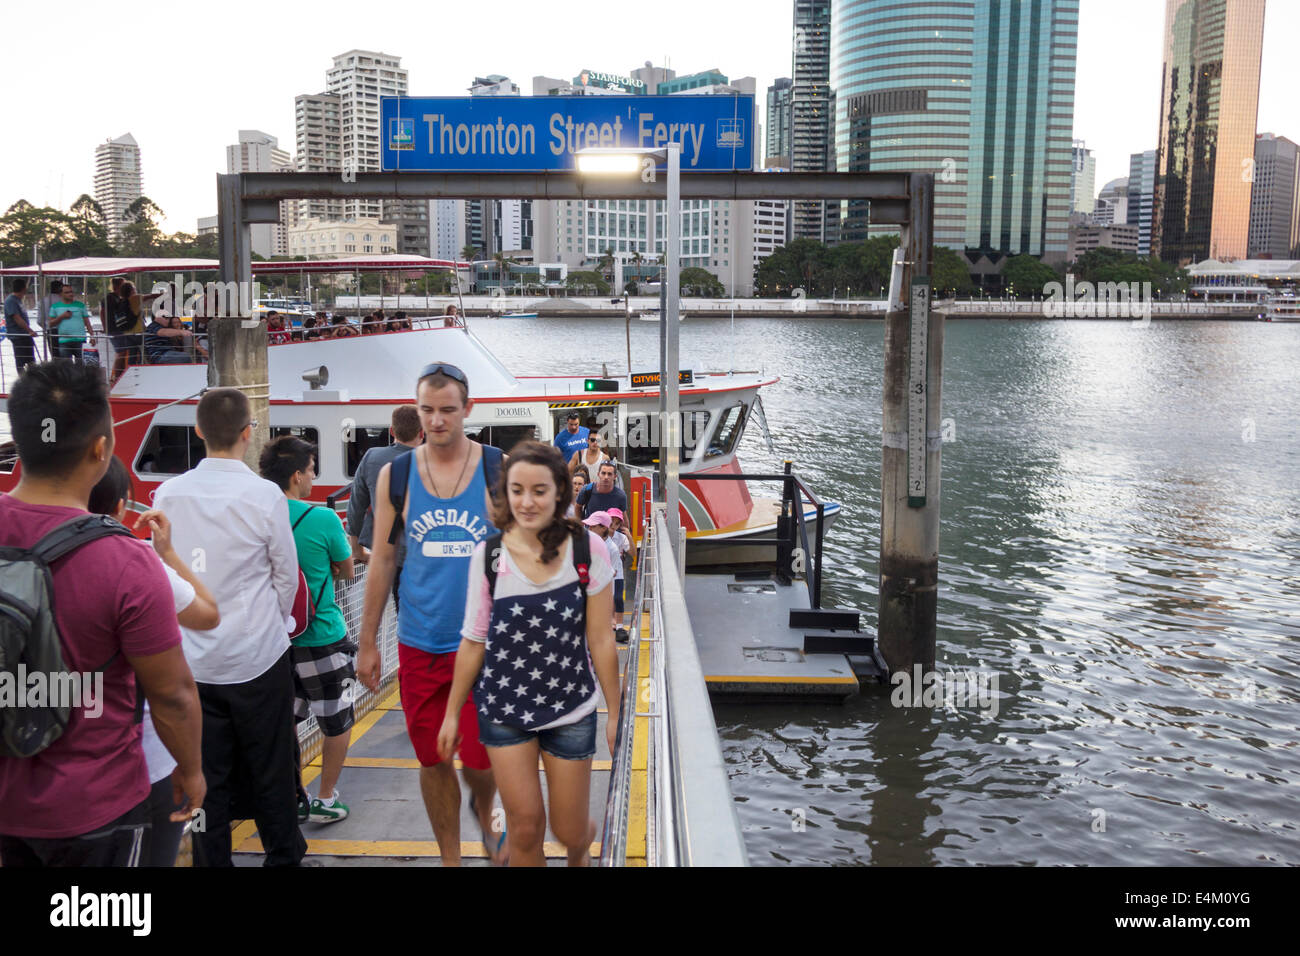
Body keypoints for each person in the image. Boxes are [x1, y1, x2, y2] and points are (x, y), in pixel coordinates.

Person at [0, 361, 204, 867]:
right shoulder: (127, 562)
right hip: (97, 806)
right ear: (101, 449)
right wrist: (190, 767)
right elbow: (172, 694)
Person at [437, 441, 621, 867]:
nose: (527, 501)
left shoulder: (585, 550)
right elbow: (473, 639)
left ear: (560, 492)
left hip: (570, 707)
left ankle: (579, 851)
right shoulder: (490, 556)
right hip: (504, 710)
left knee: (569, 828)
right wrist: (450, 713)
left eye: (539, 490)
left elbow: (601, 639)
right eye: (517, 490)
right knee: (523, 828)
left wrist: (615, 712)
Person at [357, 362, 506, 866]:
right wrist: (368, 640)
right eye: (427, 410)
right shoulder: (395, 475)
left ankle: (487, 815)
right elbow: (380, 559)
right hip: (419, 641)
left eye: (447, 410)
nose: (437, 420)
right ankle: (450, 858)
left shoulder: (496, 470)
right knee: (432, 757)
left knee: (482, 762)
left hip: (484, 643)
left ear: (469, 409)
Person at [151, 387, 305, 867]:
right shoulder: (264, 496)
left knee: (203, 776)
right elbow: (285, 574)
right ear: (247, 432)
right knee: (272, 769)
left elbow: (165, 573)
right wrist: (273, 623)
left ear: (198, 431)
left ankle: (210, 860)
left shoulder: (168, 493)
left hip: (192, 661)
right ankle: (283, 855)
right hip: (257, 655)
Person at [87, 457, 220, 867]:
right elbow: (207, 613)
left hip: (33, 757)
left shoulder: (17, 552)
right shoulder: (138, 562)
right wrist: (167, 552)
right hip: (138, 762)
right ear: (123, 505)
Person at [259, 435, 356, 824]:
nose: (314, 477)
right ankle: (326, 797)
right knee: (337, 719)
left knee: (286, 723)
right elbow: (347, 570)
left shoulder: (257, 516)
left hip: (273, 642)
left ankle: (294, 795)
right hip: (321, 636)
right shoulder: (321, 518)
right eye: (313, 470)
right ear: (297, 475)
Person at [346, 405, 423, 610]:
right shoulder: (432, 461)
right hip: (428, 554)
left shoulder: (372, 457)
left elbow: (356, 506)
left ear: (391, 431)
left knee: (402, 612)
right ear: (422, 433)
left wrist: (357, 550)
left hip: (389, 553)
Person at [49, 284, 95, 362]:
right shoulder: (55, 307)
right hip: (64, 341)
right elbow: (50, 324)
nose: (71, 294)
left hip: (80, 340)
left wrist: (92, 336)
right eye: (67, 292)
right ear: (60, 294)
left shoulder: (81, 305)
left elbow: (87, 322)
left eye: (71, 292)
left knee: (81, 366)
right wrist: (61, 316)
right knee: (67, 367)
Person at [606, 507, 632, 642]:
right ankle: (611, 622)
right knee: (608, 598)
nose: (613, 525)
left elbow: (633, 553)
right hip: (603, 572)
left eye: (616, 523)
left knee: (617, 597)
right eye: (611, 521)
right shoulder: (600, 535)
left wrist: (629, 536)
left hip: (617, 571)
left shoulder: (620, 538)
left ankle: (620, 626)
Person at [3, 278, 37, 374]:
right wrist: (30, 330)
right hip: (18, 336)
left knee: (31, 360)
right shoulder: (11, 301)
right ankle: (23, 381)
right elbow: (17, 318)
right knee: (21, 361)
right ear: (24, 288)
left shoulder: (18, 300)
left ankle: (33, 380)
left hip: (25, 335)